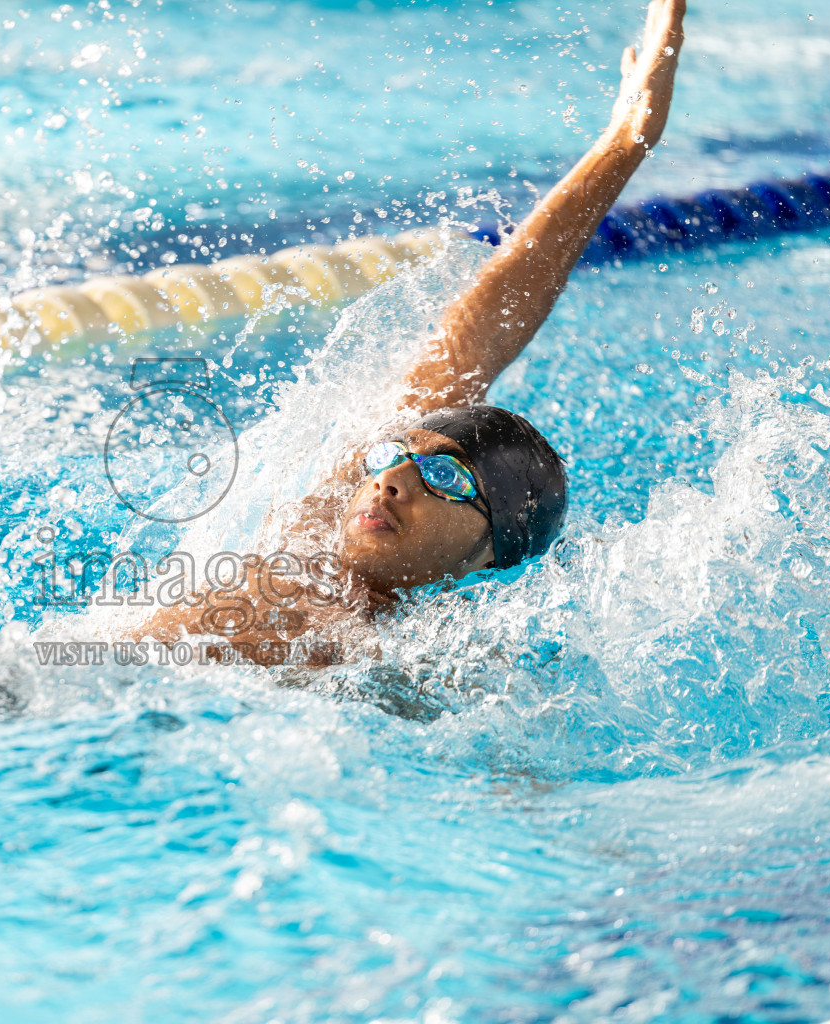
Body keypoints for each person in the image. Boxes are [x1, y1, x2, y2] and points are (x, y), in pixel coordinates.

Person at [128, 0, 685, 666]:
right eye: (392, 458)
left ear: (488, 551)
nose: (392, 482)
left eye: (446, 477)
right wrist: (622, 144)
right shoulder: (311, 534)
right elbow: (477, 335)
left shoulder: (400, 662)